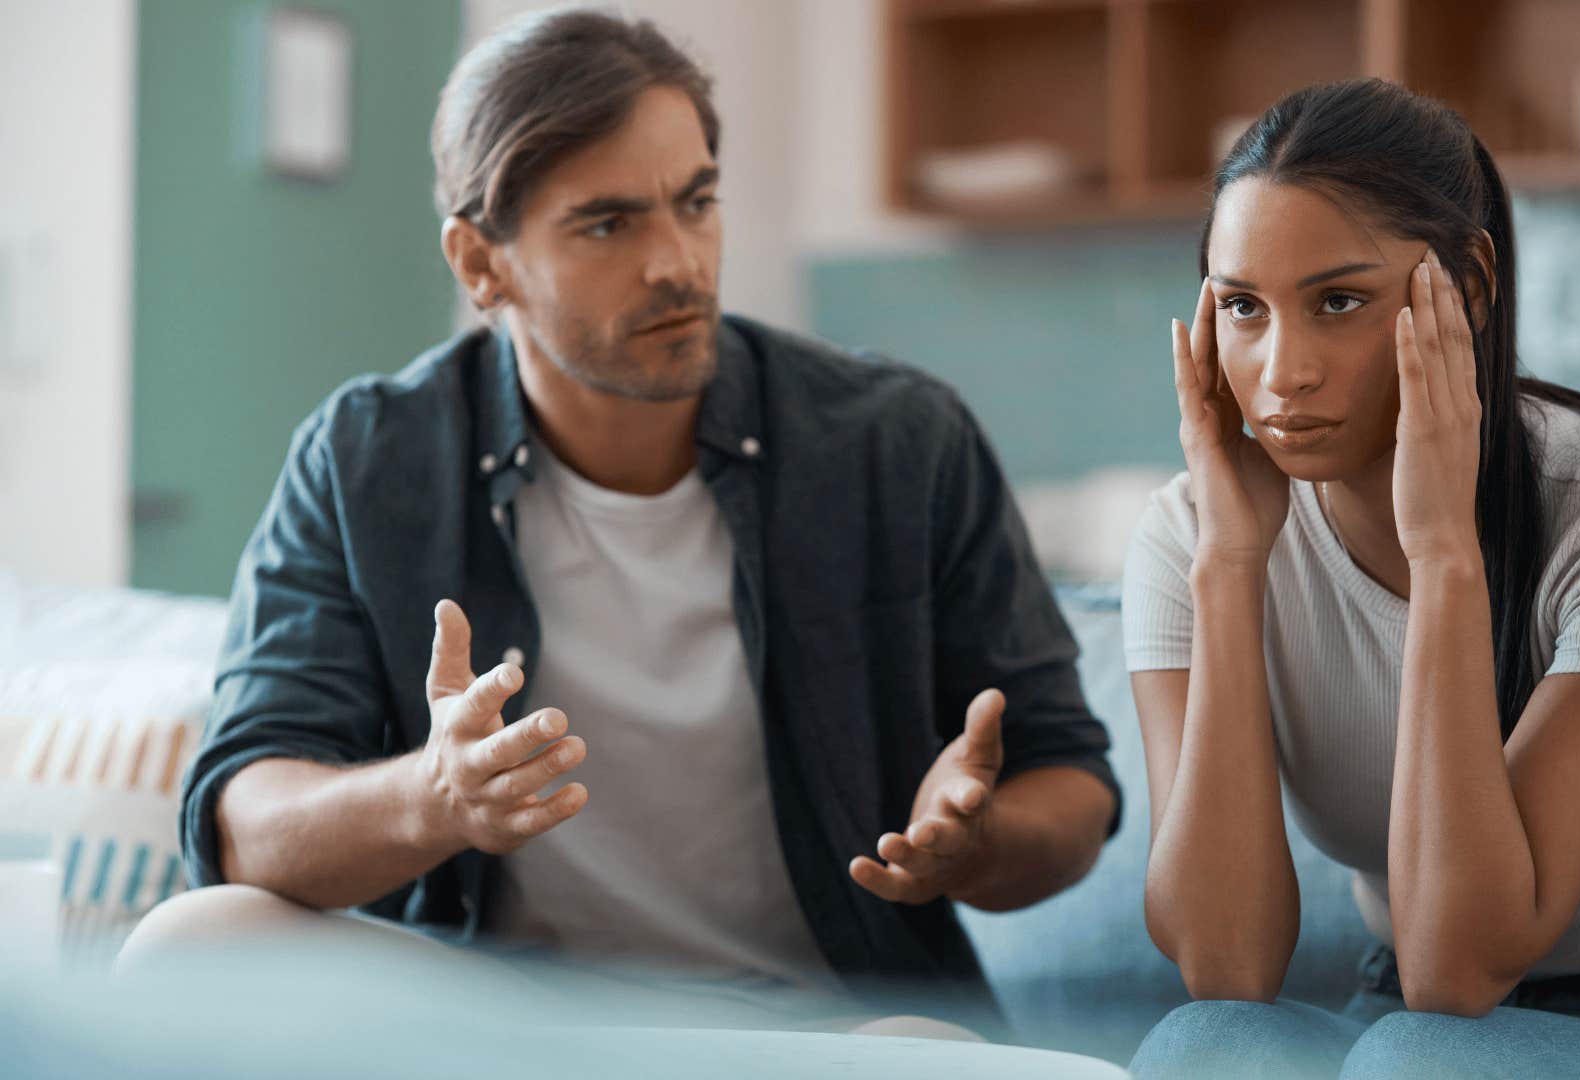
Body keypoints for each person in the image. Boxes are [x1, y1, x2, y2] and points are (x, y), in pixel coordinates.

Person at [117, 9, 1118, 1039]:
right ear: (480, 262)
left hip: (818, 1027)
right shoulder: (368, 457)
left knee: (931, 1056)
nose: (677, 263)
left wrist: (977, 841)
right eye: (608, 223)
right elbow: (241, 822)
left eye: (696, 203)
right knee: (189, 946)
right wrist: (436, 796)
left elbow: (1072, 787)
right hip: (499, 1023)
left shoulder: (899, 442)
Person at [1123, 78, 1580, 1078]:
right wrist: (1229, 566)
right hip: (1400, 1015)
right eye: (1243, 309)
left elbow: (1458, 968)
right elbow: (1225, 964)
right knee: (1205, 1045)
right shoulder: (1190, 534)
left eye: (1339, 301)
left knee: (1422, 1060)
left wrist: (1445, 549)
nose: (1281, 374)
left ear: (1470, 288)